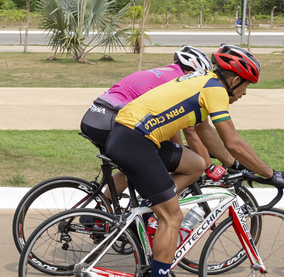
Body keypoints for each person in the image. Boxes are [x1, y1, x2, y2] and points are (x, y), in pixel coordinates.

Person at [106, 45, 284, 277]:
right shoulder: (216, 90)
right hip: (136, 141)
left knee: (197, 164)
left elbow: (206, 133)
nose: (244, 93)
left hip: (130, 135)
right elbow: (233, 141)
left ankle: (154, 206)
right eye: (246, 86)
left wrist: (236, 165)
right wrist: (272, 174)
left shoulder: (204, 82)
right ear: (235, 80)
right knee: (173, 218)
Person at [80, 45, 218, 198]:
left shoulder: (163, 73)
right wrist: (208, 167)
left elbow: (171, 128)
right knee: (170, 162)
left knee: (135, 165)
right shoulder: (178, 83)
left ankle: (102, 206)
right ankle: (155, 207)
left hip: (94, 118)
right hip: (111, 121)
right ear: (191, 73)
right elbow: (190, 131)